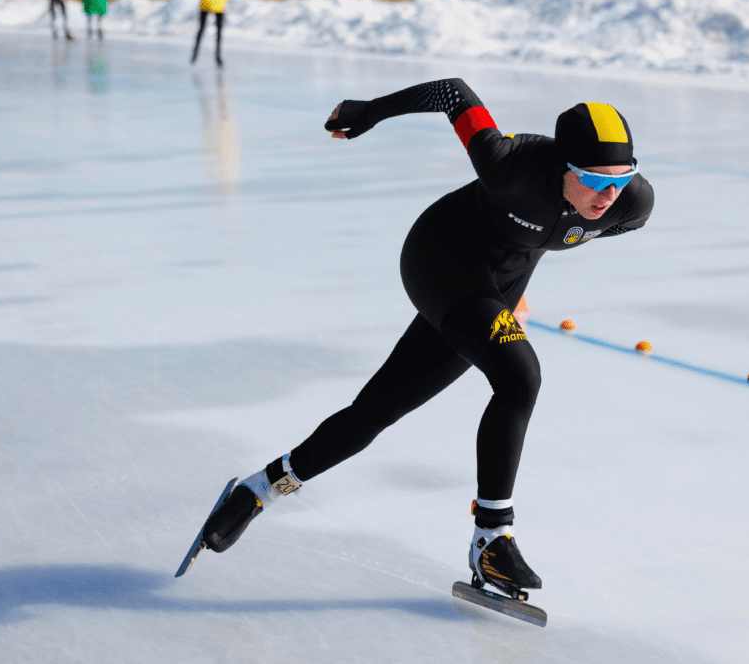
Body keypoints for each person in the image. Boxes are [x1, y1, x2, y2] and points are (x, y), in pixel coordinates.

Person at [196, 78, 655, 597]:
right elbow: (453, 93)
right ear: (562, 165)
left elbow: (554, 229)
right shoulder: (510, 164)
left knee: (374, 414)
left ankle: (259, 490)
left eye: (621, 177)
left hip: (495, 288)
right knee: (520, 376)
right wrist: (370, 111)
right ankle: (492, 539)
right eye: (593, 178)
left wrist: (517, 286)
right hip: (441, 257)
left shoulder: (631, 206)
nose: (608, 193)